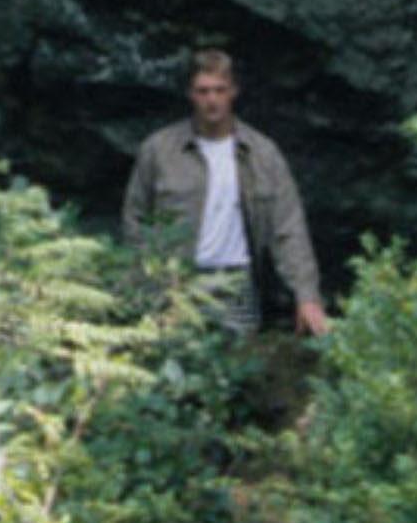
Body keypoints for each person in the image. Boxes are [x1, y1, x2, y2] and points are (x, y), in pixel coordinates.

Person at [119, 49, 330, 338]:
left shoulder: (262, 154)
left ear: (234, 92)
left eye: (219, 90)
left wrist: (307, 297)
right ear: (190, 95)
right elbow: (135, 220)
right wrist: (146, 283)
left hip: (237, 283)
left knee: (238, 373)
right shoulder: (159, 150)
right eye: (202, 91)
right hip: (177, 283)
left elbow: (288, 228)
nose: (212, 100)